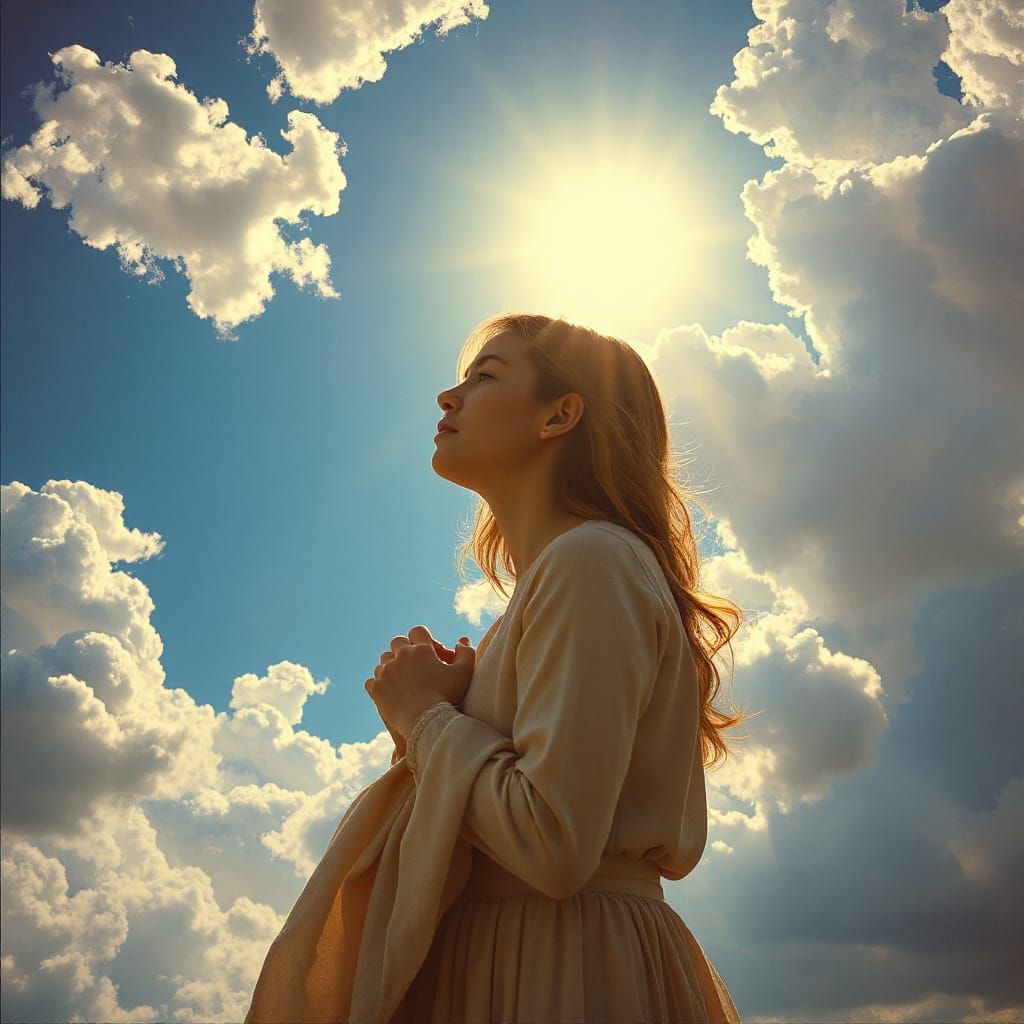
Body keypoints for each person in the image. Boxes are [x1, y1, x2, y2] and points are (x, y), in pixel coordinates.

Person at [244, 313, 747, 1023]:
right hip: (525, 959)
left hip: (560, 968)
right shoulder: (561, 579)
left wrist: (422, 717)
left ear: (560, 415)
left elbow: (552, 844)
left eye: (484, 377)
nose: (447, 398)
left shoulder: (591, 561)